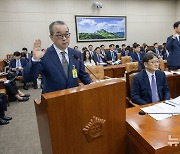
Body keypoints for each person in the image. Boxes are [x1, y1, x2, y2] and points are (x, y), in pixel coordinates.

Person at [23, 20, 92, 94]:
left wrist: (92, 84)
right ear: (51, 37)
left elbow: (83, 74)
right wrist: (35, 60)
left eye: (67, 34)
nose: (64, 38)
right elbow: (28, 78)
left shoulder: (76, 54)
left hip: (73, 97)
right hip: (53, 99)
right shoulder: (44, 55)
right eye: (59, 35)